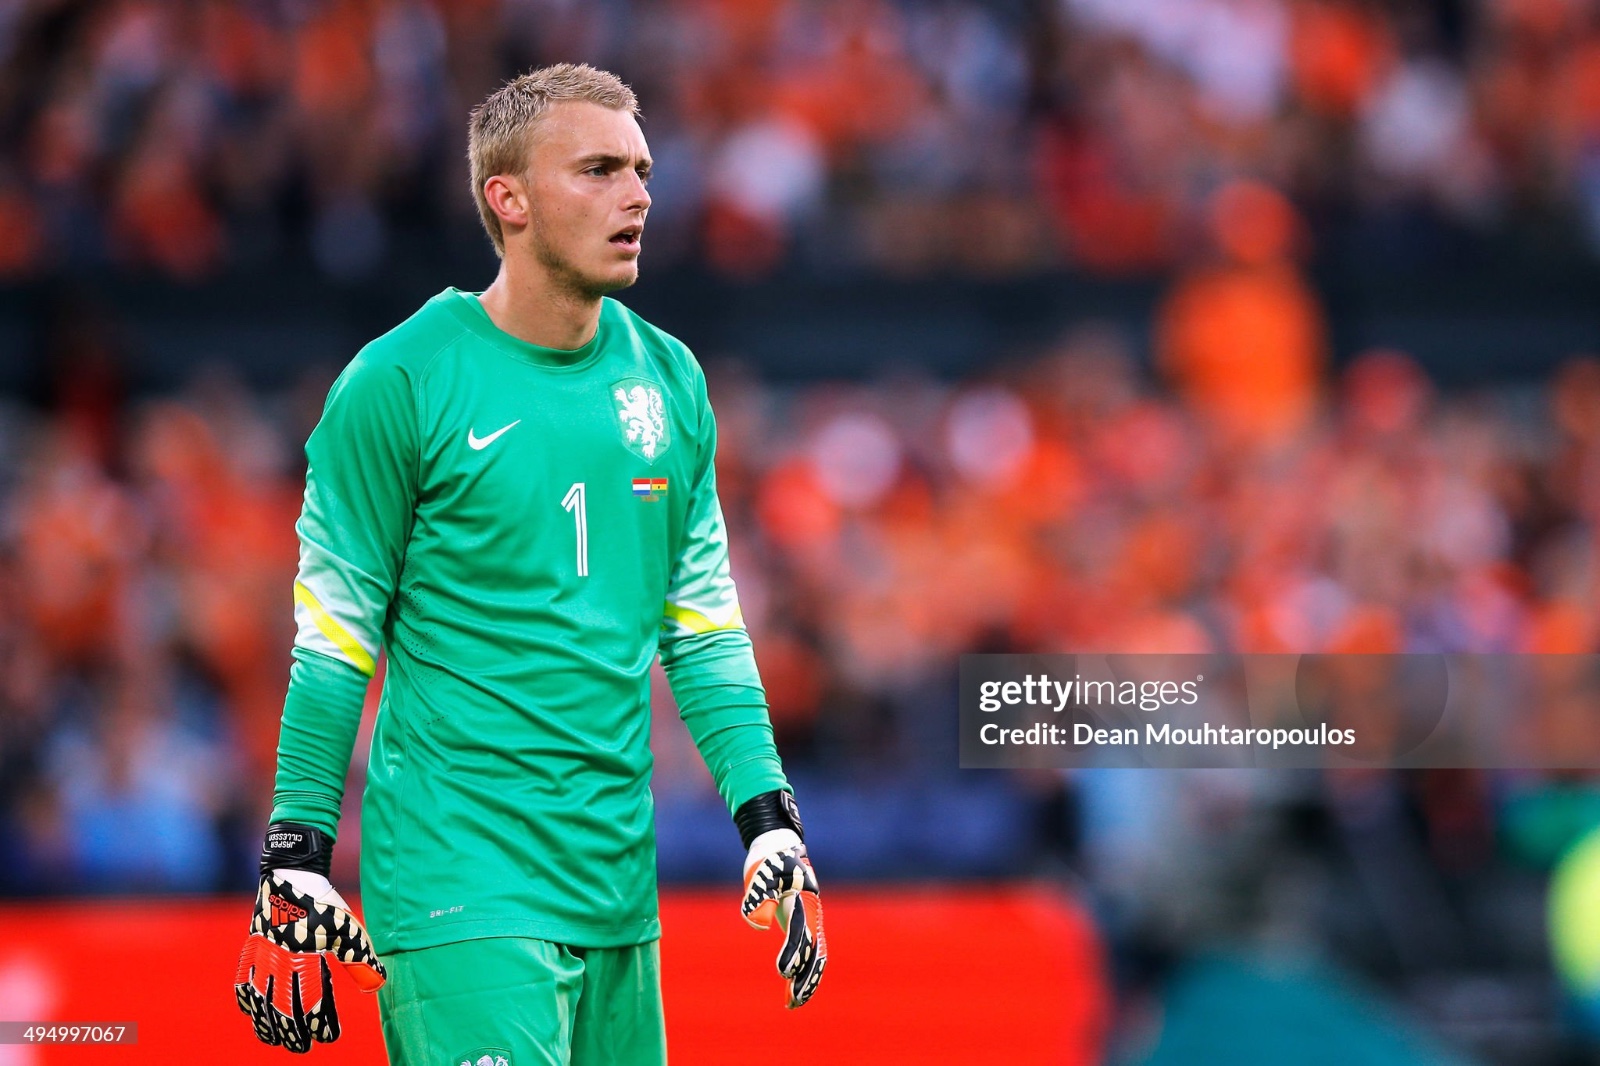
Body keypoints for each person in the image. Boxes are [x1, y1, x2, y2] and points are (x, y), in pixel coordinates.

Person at [232, 63, 826, 1065]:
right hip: (461, 880)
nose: (638, 194)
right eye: (597, 169)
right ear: (506, 199)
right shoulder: (399, 380)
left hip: (614, 887)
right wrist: (297, 844)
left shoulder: (670, 377)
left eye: (640, 168)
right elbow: (332, 636)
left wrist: (767, 817)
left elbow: (703, 626)